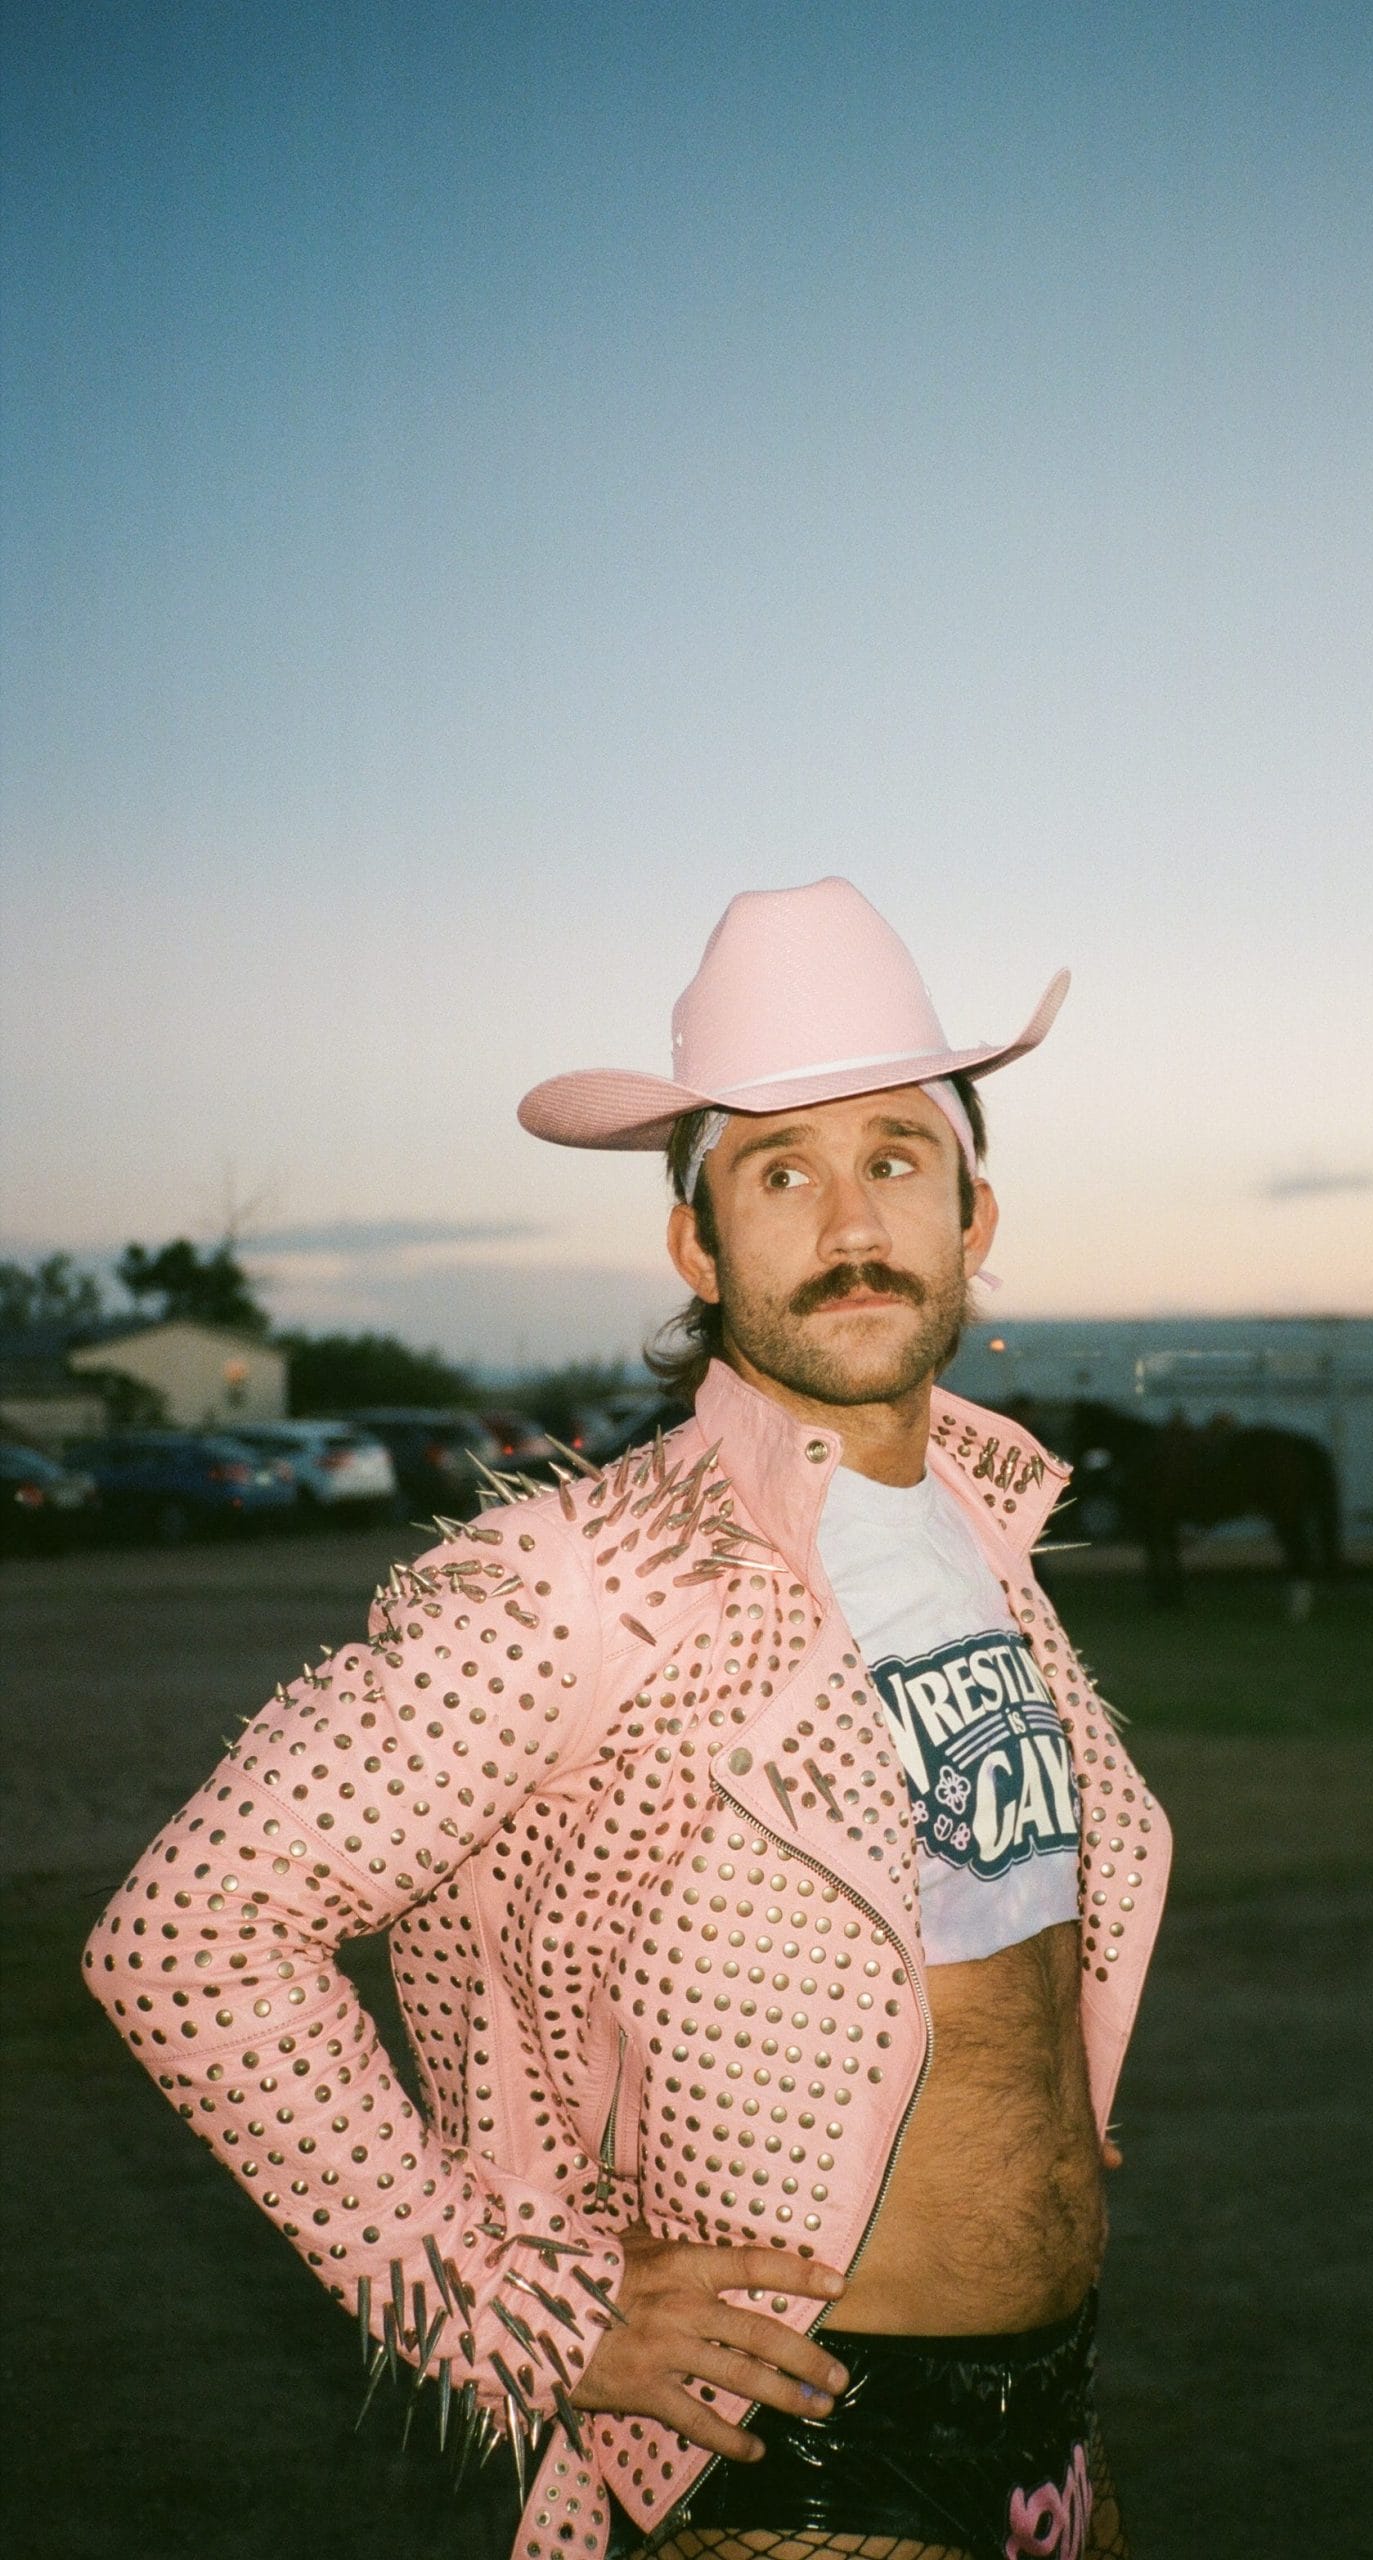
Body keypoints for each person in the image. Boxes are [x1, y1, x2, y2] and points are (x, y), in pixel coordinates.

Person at [86, 878, 1171, 2560]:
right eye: (778, 1172)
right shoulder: (583, 1573)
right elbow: (190, 1935)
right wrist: (514, 2314)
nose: (849, 1220)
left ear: (973, 1212)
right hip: (797, 2453)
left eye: (894, 1158)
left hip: (1054, 2423)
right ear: (695, 1240)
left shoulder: (990, 1532)